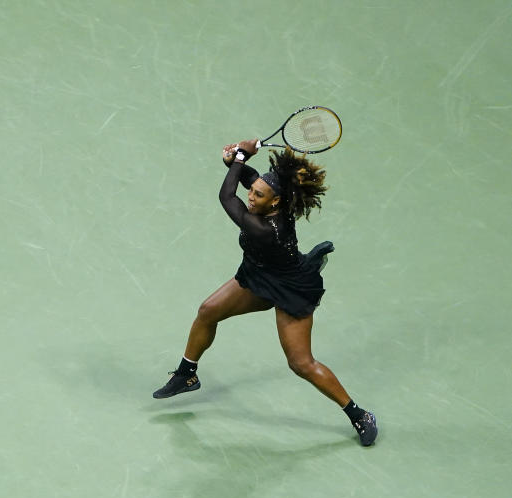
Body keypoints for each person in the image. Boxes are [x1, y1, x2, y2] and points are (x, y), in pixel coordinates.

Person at [151, 138, 377, 447]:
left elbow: (226, 195)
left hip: (289, 290)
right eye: (253, 190)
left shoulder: (266, 229)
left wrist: (242, 156)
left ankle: (359, 415)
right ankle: (187, 374)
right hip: (257, 275)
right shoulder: (269, 198)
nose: (251, 195)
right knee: (207, 311)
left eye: (258, 195)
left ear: (275, 203)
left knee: (301, 364)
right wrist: (235, 160)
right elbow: (243, 177)